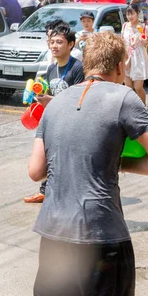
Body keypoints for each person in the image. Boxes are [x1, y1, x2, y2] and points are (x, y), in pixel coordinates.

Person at [28, 30, 148, 296]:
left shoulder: (53, 103)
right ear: (120, 66)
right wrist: (118, 163)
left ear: (86, 64)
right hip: (102, 230)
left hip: (55, 229)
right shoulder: (124, 98)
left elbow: (35, 171)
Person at [23, 21, 85, 204]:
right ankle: (46, 191)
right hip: (54, 122)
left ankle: (70, 195)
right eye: (52, 42)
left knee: (71, 161)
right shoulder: (51, 69)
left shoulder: (78, 68)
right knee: (50, 158)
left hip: (73, 124)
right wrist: (40, 98)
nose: (54, 46)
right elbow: (50, 95)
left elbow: (81, 100)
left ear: (71, 44)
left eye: (59, 42)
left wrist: (52, 100)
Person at [122, 3, 148, 104]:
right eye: (128, 14)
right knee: (128, 88)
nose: (130, 16)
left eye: (132, 14)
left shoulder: (143, 28)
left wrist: (145, 42)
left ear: (137, 13)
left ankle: (144, 108)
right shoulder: (125, 26)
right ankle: (131, 110)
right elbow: (122, 41)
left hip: (139, 59)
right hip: (127, 57)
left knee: (138, 87)